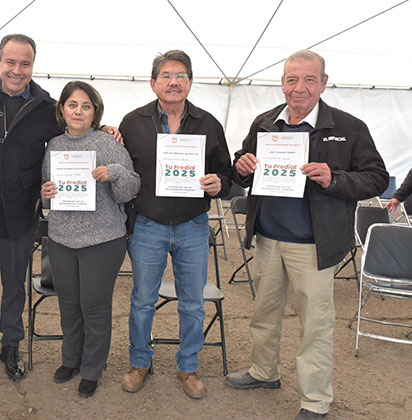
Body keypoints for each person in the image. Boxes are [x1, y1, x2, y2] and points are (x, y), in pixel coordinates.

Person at [226, 50, 388, 420]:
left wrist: (336, 178)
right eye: (292, 80)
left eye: (309, 80)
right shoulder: (266, 122)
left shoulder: (349, 127)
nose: (299, 88)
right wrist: (243, 165)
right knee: (264, 314)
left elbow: (376, 177)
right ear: (282, 83)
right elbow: (242, 168)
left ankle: (315, 400)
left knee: (315, 325)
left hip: (313, 245)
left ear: (324, 83)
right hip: (268, 238)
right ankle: (263, 373)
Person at [0, 34, 121, 381]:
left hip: (20, 209)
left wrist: (105, 128)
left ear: (33, 66)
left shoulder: (47, 106)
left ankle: (10, 344)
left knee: (15, 283)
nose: (17, 70)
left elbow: (77, 129)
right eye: (10, 62)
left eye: (25, 63)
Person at [118, 50, 232, 399]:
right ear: (153, 83)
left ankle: (188, 367)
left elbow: (226, 175)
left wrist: (219, 184)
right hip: (148, 226)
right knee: (142, 300)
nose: (173, 81)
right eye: (166, 75)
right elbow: (121, 169)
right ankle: (140, 363)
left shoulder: (209, 123)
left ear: (190, 82)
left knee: (192, 303)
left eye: (181, 75)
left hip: (193, 225)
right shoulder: (132, 122)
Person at [40, 81, 140, 398]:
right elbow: (48, 191)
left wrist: (116, 174)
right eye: (72, 104)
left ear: (95, 111)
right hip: (61, 238)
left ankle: (93, 368)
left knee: (94, 307)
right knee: (69, 306)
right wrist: (46, 193)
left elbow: (131, 189)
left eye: (86, 105)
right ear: (62, 109)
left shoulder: (108, 143)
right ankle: (71, 359)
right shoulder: (53, 146)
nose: (79, 111)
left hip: (103, 239)